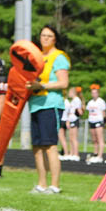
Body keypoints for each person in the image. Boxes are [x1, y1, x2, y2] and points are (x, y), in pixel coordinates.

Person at [25, 25, 69, 193]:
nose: (45, 38)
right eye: (43, 35)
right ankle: (41, 184)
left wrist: (41, 85)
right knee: (37, 146)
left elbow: (64, 83)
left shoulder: (59, 57)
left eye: (49, 36)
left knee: (49, 144)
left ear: (55, 39)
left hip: (50, 104)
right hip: (35, 104)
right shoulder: (37, 57)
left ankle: (54, 186)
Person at [85, 84, 106, 164]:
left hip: (98, 121)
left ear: (98, 93)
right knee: (94, 139)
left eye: (95, 93)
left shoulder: (101, 102)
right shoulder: (90, 102)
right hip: (92, 121)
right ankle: (95, 153)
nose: (94, 94)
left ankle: (100, 156)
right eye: (92, 93)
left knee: (100, 138)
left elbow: (104, 113)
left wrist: (103, 121)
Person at [65, 86, 83, 161]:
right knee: (71, 138)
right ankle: (71, 153)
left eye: (69, 92)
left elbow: (79, 111)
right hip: (71, 120)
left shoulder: (77, 100)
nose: (68, 94)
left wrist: (78, 113)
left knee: (74, 138)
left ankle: (76, 154)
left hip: (75, 120)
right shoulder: (72, 101)